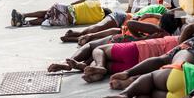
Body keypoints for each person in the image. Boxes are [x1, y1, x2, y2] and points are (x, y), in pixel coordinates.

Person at [48, 13, 183, 74]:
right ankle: (83, 66)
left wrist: (139, 38)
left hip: (125, 42)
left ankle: (70, 63)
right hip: (137, 55)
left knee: (91, 47)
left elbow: (130, 23)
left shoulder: (157, 29)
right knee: (98, 58)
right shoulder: (170, 37)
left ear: (162, 21)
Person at [10, 0, 112, 28]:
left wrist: (71, 6)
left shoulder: (95, 1)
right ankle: (25, 23)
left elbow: (79, 1)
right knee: (48, 19)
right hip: (65, 21)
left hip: (66, 10)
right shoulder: (99, 20)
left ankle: (24, 15)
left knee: (48, 12)